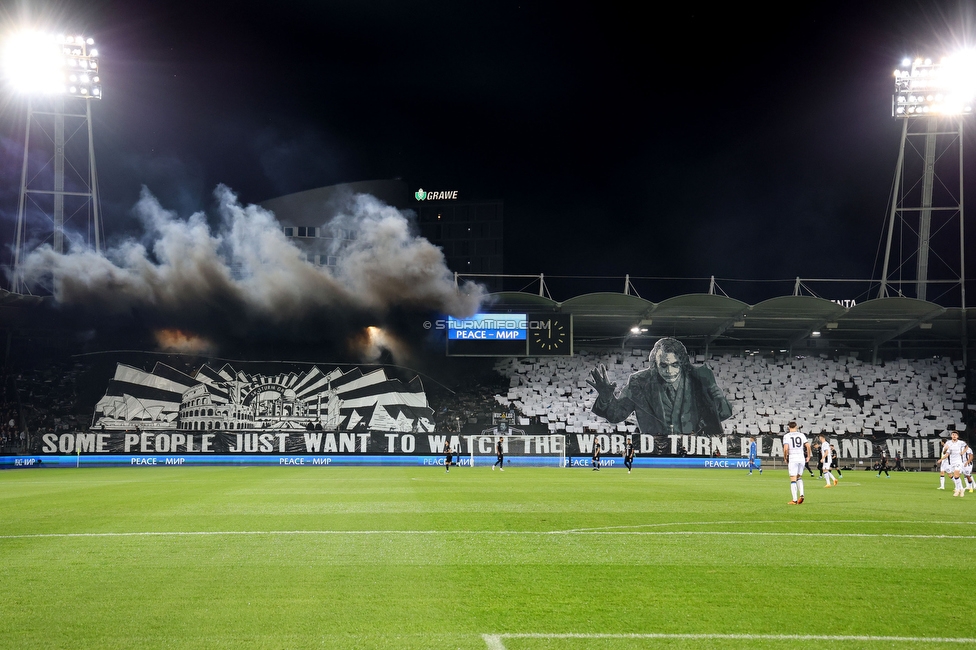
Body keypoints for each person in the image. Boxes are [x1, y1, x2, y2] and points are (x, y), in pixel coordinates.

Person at [588, 337, 731, 436]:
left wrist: (719, 398)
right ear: (654, 365)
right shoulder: (638, 382)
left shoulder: (698, 380)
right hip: (653, 453)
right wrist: (606, 398)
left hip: (691, 453)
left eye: (675, 365)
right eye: (663, 365)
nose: (669, 371)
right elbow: (615, 416)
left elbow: (722, 415)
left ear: (683, 364)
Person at [784, 421, 811, 505]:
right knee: (799, 477)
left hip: (793, 457)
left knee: (793, 478)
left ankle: (794, 500)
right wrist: (808, 456)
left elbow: (786, 449)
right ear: (796, 427)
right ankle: (802, 495)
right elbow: (808, 446)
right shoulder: (801, 435)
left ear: (788, 427)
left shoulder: (786, 436)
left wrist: (785, 457)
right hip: (801, 457)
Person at [938, 430, 967, 497]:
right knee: (956, 476)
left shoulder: (960, 442)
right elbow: (946, 453)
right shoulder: (948, 443)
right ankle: (961, 489)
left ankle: (957, 489)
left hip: (958, 461)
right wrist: (945, 449)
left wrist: (963, 452)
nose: (954, 436)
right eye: (953, 434)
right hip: (952, 462)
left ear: (957, 436)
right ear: (951, 436)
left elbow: (966, 447)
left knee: (956, 474)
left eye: (955, 435)